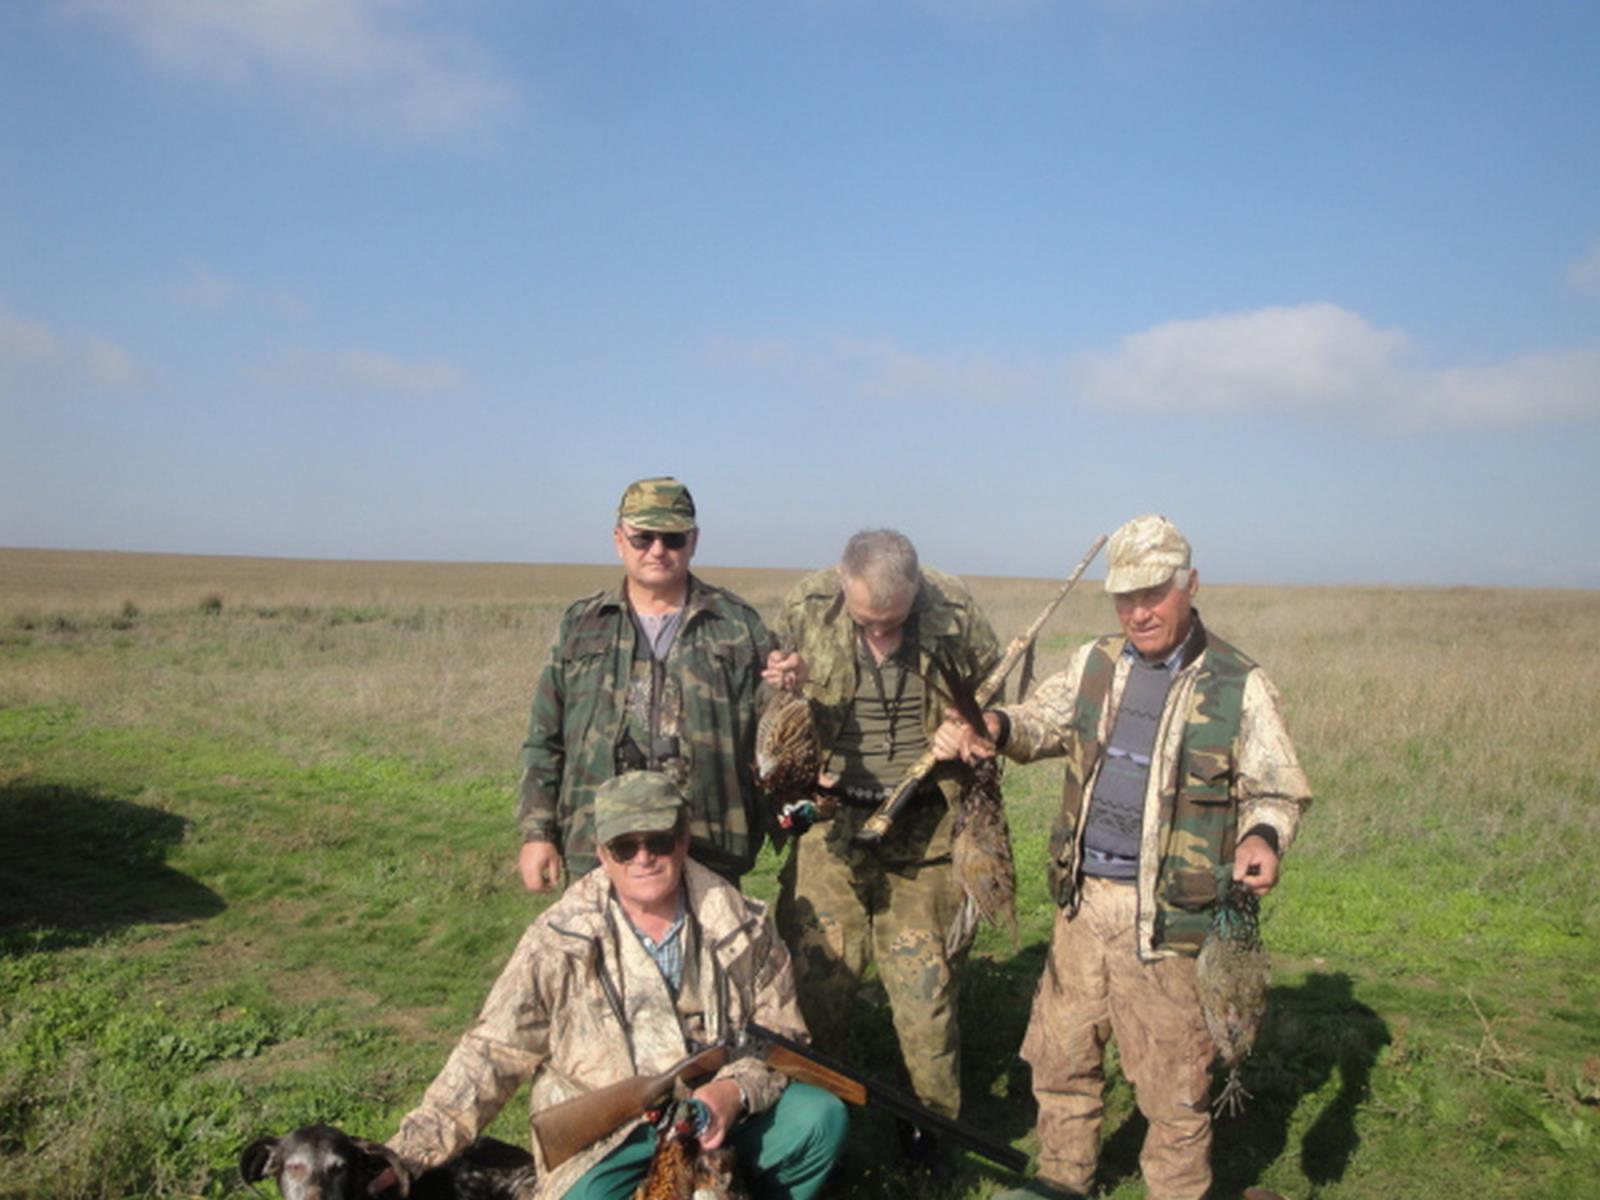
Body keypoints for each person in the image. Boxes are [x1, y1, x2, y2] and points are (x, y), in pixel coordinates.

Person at [934, 514, 1313, 1200]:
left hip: (1168, 926)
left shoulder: (1237, 684)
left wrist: (1263, 836)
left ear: (1190, 585)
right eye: (1125, 597)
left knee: (1174, 1090)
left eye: (1154, 594)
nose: (1139, 612)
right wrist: (996, 724)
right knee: (1060, 1063)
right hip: (1082, 909)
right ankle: (1062, 1184)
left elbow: (1277, 789)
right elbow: (1041, 721)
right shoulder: (1096, 663)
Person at [390, 771, 849, 1200]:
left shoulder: (742, 923)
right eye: (624, 847)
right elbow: (492, 1051)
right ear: (602, 853)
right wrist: (410, 1152)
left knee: (819, 1120)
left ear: (683, 840)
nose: (643, 858)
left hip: (715, 1114)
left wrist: (733, 1092)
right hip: (608, 1136)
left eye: (658, 841)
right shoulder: (558, 939)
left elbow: (783, 1035)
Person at [763, 529, 1000, 1166]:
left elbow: (1001, 701)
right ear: (842, 583)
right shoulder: (806, 606)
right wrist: (783, 686)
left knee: (926, 996)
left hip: (924, 830)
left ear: (918, 588)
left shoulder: (955, 610)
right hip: (831, 829)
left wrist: (970, 726)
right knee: (817, 984)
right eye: (867, 622)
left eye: (894, 623)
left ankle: (933, 1132)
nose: (880, 635)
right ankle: (811, 1128)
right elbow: (769, 710)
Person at [517, 477, 776, 890]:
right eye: (643, 538)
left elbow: (776, 737)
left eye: (672, 538)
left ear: (693, 542)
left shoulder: (738, 625)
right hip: (602, 846)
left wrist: (794, 684)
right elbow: (544, 739)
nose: (657, 550)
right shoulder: (582, 624)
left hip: (709, 848)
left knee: (711, 936)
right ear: (619, 540)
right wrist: (538, 833)